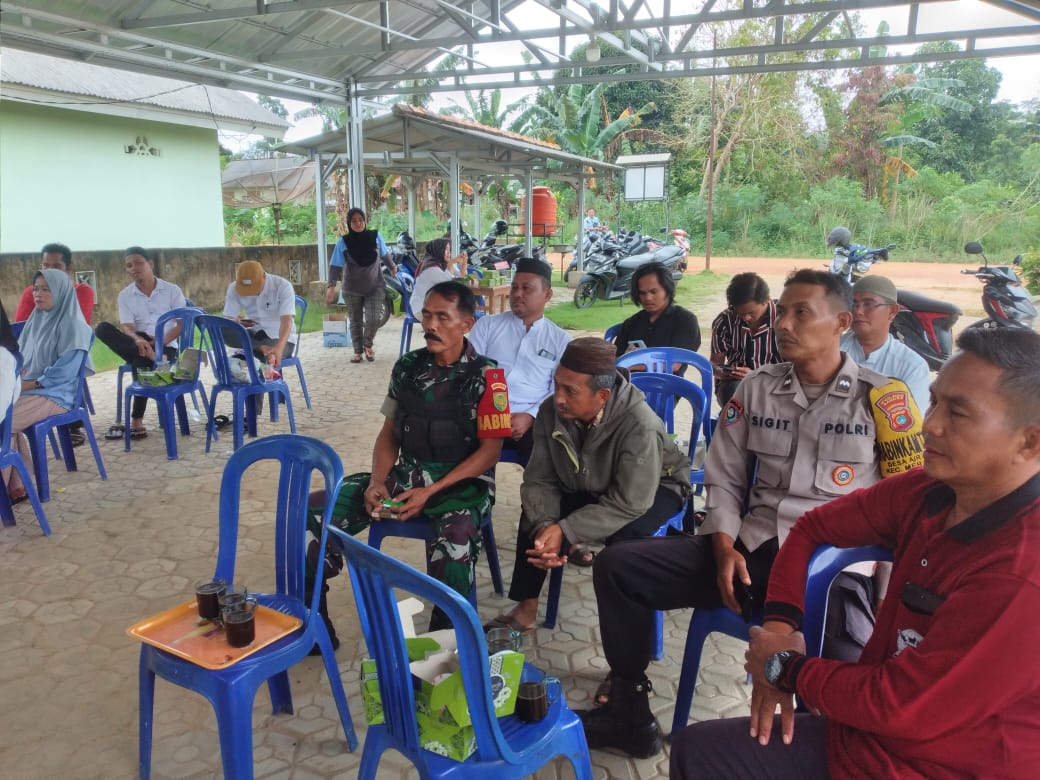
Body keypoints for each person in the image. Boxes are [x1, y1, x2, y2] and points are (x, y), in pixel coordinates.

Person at [672, 326, 1040, 780]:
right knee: (700, 751)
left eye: (958, 414)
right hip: (868, 736)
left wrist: (784, 668)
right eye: (936, 401)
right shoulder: (929, 490)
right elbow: (812, 527)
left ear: (1030, 441)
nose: (931, 424)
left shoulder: (1021, 573)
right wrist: (780, 626)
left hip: (940, 762)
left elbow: (901, 706)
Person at [579, 269, 905, 759]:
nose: (784, 324)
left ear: (841, 322)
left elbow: (905, 509)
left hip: (831, 575)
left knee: (853, 682)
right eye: (784, 311)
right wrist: (723, 543)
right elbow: (725, 478)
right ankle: (628, 709)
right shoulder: (756, 387)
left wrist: (881, 592)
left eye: (802, 313)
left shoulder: (884, 401)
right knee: (618, 566)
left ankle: (819, 758)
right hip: (750, 555)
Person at [305, 281, 506, 644]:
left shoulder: (489, 377)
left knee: (455, 541)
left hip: (461, 486)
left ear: (466, 324)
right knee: (319, 508)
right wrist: (377, 482)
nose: (431, 325)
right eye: (427, 315)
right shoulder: (408, 367)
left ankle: (443, 644)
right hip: (407, 475)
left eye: (443, 317)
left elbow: (490, 452)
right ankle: (313, 620)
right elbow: (389, 434)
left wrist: (431, 492)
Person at [486, 337, 691, 633]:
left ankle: (629, 642)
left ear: (603, 395)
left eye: (570, 390)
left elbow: (630, 502)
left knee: (626, 546)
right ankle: (526, 608)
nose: (558, 397)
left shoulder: (639, 424)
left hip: (655, 486)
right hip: (591, 481)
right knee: (534, 515)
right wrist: (547, 526)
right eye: (557, 385)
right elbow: (539, 480)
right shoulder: (549, 412)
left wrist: (566, 530)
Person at [467, 257, 571, 462]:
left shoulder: (561, 340)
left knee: (549, 458)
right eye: (514, 287)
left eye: (527, 288)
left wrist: (531, 416)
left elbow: (557, 389)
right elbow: (469, 372)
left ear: (547, 294)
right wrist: (490, 414)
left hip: (531, 421)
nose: (517, 294)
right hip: (482, 417)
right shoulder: (487, 326)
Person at [2, 270, 93, 502]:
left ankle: (9, 488)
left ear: (61, 292)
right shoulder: (36, 320)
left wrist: (25, 385)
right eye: (35, 288)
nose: (38, 294)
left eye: (45, 289)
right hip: (30, 388)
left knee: (5, 418)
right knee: (5, 414)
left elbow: (64, 374)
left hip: (56, 394)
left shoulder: (74, 325)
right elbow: (19, 359)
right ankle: (17, 486)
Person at [95, 247, 186, 441]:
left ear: (150, 264)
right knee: (102, 328)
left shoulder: (172, 290)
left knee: (140, 361)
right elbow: (127, 327)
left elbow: (182, 324)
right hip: (138, 340)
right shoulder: (125, 295)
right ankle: (152, 356)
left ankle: (136, 420)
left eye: (138, 263)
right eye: (129, 265)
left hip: (166, 343)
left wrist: (159, 343)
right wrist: (138, 340)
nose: (134, 268)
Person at [841, 274, 930, 409]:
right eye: (854, 304)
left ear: (892, 311)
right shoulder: (829, 350)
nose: (858, 311)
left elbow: (910, 426)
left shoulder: (912, 367)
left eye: (868, 304)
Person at [325, 207, 396, 363]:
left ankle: (367, 345)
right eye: (354, 221)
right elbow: (335, 265)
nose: (358, 223)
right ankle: (358, 352)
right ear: (349, 223)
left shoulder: (376, 237)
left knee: (373, 319)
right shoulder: (343, 242)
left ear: (365, 221)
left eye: (361, 220)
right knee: (355, 320)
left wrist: (392, 267)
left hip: (375, 285)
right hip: (352, 288)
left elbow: (384, 254)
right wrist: (331, 287)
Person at [612, 262, 700, 374]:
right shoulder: (631, 323)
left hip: (670, 388)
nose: (648, 298)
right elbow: (614, 360)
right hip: (630, 388)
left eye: (653, 291)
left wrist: (630, 362)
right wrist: (626, 361)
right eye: (642, 293)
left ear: (667, 290)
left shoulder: (685, 320)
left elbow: (674, 365)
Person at [710, 272, 781, 406]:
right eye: (740, 313)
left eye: (751, 313)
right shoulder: (725, 320)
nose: (745, 318)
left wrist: (758, 376)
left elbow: (798, 368)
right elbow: (714, 363)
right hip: (734, 385)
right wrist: (720, 371)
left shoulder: (784, 319)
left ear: (767, 300)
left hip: (776, 383)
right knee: (737, 392)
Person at [221, 260, 297, 370]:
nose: (251, 292)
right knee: (224, 329)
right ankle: (260, 349)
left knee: (261, 357)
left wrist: (279, 348)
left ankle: (255, 355)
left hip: (280, 337)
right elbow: (228, 319)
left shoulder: (282, 286)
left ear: (264, 277)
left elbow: (287, 321)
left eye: (254, 287)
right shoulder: (233, 288)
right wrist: (236, 322)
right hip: (253, 334)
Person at [15, 243, 95, 325]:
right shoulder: (32, 292)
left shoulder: (81, 291)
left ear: (68, 269)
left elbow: (75, 326)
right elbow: (22, 327)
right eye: (46, 265)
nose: (50, 270)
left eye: (56, 266)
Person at [408, 237, 455, 319]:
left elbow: (459, 276)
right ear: (438, 250)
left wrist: (464, 263)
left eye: (449, 249)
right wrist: (451, 263)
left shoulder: (441, 264)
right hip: (421, 308)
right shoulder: (430, 268)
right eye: (446, 249)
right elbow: (448, 282)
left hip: (433, 305)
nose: (449, 252)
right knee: (454, 316)